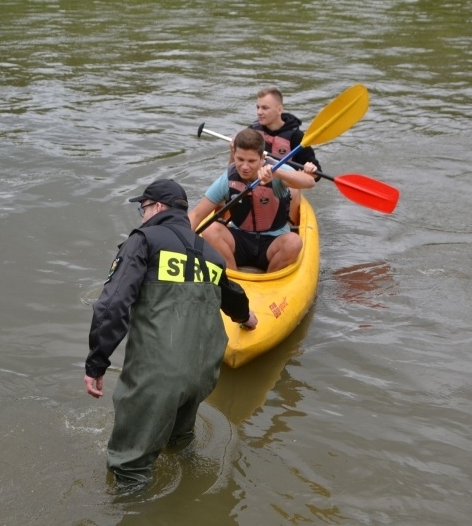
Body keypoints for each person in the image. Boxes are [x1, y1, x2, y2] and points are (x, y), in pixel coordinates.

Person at [84, 178, 258, 491]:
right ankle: (188, 494)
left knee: (129, 470)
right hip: (202, 375)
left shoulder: (144, 240)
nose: (141, 215)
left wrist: (96, 363)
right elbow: (233, 295)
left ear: (158, 207)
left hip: (158, 375)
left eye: (143, 207)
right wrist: (246, 318)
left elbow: (112, 304)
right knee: (178, 446)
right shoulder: (210, 253)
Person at [190, 127, 316, 273]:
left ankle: (270, 280)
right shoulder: (227, 179)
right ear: (234, 155)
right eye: (240, 159)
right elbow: (197, 214)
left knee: (294, 242)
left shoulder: (276, 170)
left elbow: (309, 182)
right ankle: (232, 278)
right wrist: (177, 240)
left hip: (273, 242)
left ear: (262, 158)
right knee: (210, 230)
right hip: (240, 240)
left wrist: (278, 174)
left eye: (251, 161)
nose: (244, 166)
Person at [250, 87, 322, 225]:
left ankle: (290, 226)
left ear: (279, 109)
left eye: (265, 108)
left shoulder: (296, 136)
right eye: (258, 107)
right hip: (257, 181)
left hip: (285, 185)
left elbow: (317, 174)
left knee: (294, 191)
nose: (259, 112)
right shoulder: (253, 131)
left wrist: (310, 168)